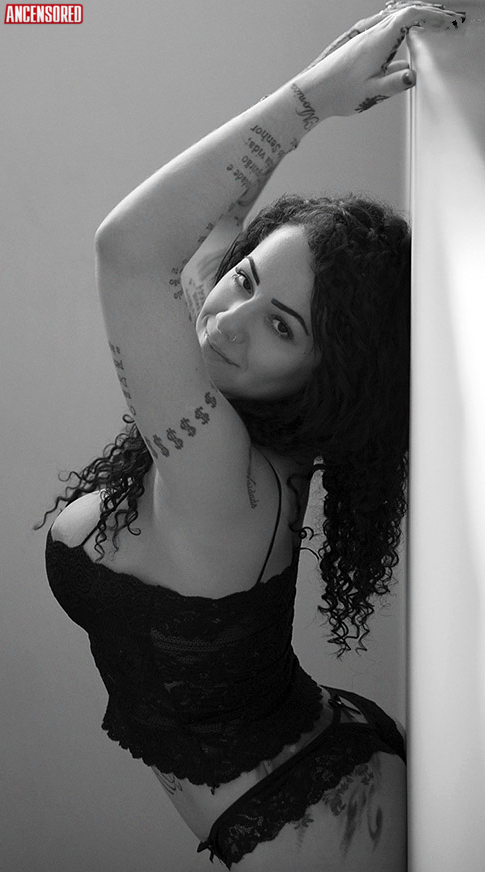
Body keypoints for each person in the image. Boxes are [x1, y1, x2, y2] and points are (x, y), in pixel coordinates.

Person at [40, 3, 465, 870]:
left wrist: (307, 100)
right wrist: (321, 93)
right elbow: (207, 242)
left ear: (325, 376)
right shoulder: (235, 402)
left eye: (280, 326)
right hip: (324, 748)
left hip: (315, 835)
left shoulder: (219, 476)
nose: (225, 321)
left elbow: (130, 252)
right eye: (243, 284)